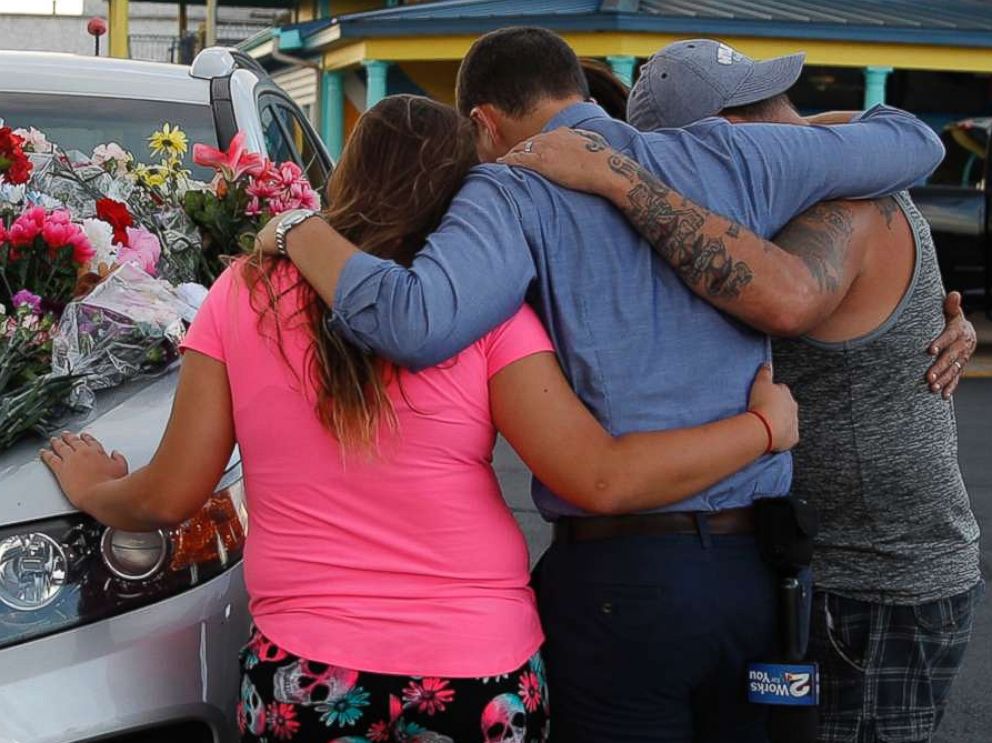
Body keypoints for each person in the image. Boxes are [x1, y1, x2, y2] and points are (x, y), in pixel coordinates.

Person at [253, 27, 950, 742]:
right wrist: (806, 140)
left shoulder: (509, 186)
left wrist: (298, 228)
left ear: (482, 124)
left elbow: (411, 319)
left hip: (623, 584)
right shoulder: (732, 151)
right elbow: (916, 141)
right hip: (754, 579)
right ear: (579, 92)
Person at [40, 96, 802, 743]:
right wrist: (762, 429)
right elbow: (601, 476)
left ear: (346, 174)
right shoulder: (487, 312)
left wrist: (97, 487)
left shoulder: (250, 292)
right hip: (480, 675)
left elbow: (172, 496)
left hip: (307, 676)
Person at [500, 38, 983, 743]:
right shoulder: (804, 192)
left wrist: (619, 176)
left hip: (878, 580)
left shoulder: (843, 205)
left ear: (723, 139)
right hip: (803, 565)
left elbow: (784, 298)